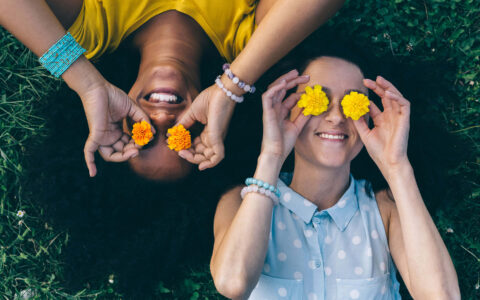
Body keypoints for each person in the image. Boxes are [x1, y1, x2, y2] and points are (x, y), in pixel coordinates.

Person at [0, 0, 344, 180]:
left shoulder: (91, 31)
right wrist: (233, 85)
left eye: (144, 135)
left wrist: (85, 82)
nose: (163, 119)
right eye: (182, 137)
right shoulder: (248, 37)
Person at [209, 55, 460, 299]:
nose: (337, 117)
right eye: (317, 100)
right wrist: (272, 155)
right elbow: (233, 283)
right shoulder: (241, 202)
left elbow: (442, 296)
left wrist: (396, 166)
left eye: (353, 104)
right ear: (285, 110)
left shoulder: (385, 210)